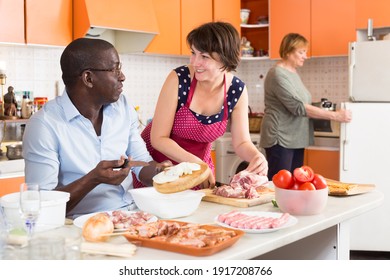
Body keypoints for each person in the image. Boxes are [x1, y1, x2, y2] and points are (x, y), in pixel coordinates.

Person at [22, 38, 170, 218]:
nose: (122, 76)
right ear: (88, 78)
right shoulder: (44, 125)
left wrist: (163, 172)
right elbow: (41, 206)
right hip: (80, 226)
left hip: (132, 216)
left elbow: (140, 162)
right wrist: (93, 179)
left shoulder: (122, 107)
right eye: (115, 69)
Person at [138, 21, 268, 189]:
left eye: (204, 57)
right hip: (159, 165)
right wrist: (196, 163)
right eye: (193, 53)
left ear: (226, 58)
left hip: (198, 168)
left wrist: (256, 156)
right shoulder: (179, 79)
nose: (195, 62)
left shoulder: (237, 90)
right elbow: (158, 139)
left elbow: (241, 142)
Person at [260, 33, 352, 180]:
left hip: (295, 137)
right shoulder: (277, 74)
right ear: (288, 51)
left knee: (295, 184)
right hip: (281, 138)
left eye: (305, 52)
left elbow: (303, 103)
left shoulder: (293, 73)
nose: (305, 56)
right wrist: (335, 115)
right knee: (279, 186)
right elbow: (298, 106)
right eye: (301, 52)